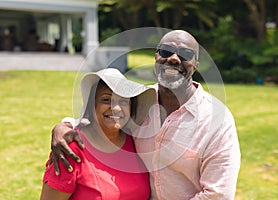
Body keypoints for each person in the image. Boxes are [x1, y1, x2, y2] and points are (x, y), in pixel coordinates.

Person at [50, 30, 241, 199]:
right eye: (166, 51)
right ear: (156, 58)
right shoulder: (140, 100)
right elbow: (105, 118)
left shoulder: (218, 120)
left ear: (196, 65)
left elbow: (218, 196)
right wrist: (63, 127)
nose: (174, 58)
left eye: (185, 54)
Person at [40, 68, 155, 200]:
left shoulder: (135, 142)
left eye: (123, 101)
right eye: (106, 100)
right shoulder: (70, 150)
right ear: (91, 106)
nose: (116, 108)